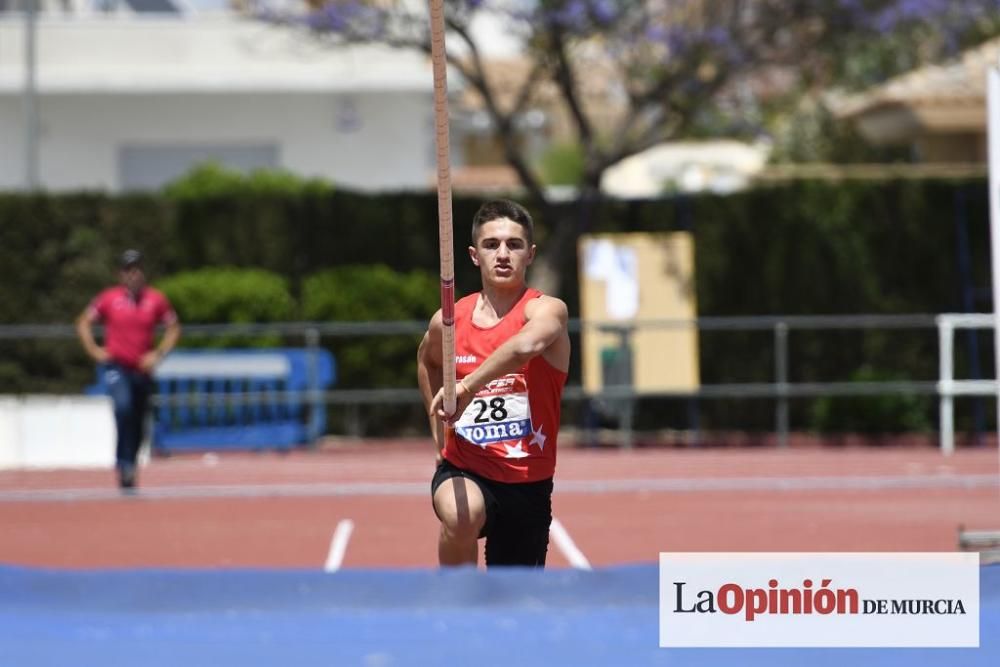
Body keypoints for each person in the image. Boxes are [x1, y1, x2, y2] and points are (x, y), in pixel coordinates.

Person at [418, 199, 570, 567]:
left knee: (515, 604)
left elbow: (526, 346)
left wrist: (469, 387)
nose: (503, 254)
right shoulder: (450, 322)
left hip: (527, 482)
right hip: (465, 467)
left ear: (530, 254)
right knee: (460, 515)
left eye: (514, 245)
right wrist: (440, 436)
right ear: (474, 255)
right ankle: (459, 601)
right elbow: (428, 360)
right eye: (491, 245)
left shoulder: (547, 310)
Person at [76, 249, 181, 491]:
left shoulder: (156, 300)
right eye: (128, 270)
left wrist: (158, 354)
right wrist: (94, 350)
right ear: (120, 274)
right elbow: (83, 322)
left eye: (137, 269)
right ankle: (123, 464)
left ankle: (130, 463)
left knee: (139, 420)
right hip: (117, 367)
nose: (134, 274)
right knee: (123, 408)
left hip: (142, 371)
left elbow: (173, 328)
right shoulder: (108, 299)